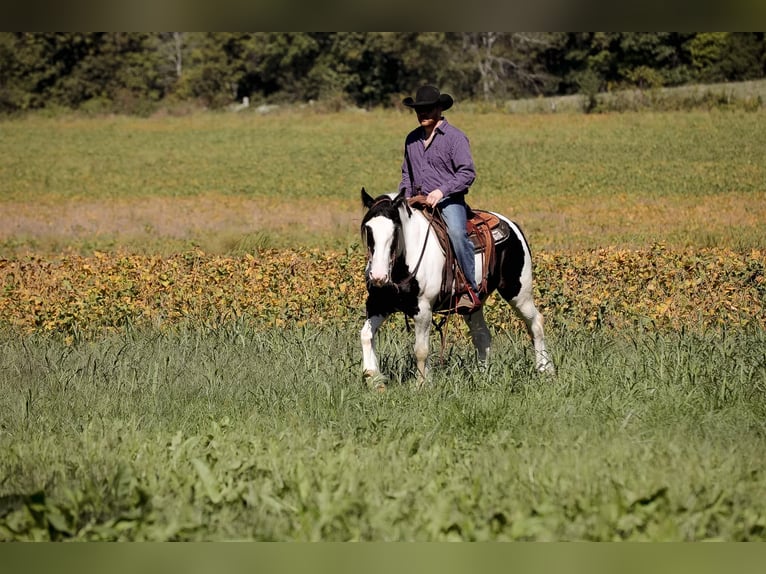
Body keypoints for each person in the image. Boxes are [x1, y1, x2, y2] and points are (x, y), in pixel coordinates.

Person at [400, 85, 481, 314]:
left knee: (456, 232)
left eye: (427, 109)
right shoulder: (411, 139)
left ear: (438, 109)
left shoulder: (455, 138)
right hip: (417, 200)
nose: (423, 114)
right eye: (419, 110)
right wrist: (405, 197)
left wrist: (441, 191)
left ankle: (469, 289)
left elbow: (467, 173)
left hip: (448, 201)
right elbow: (406, 173)